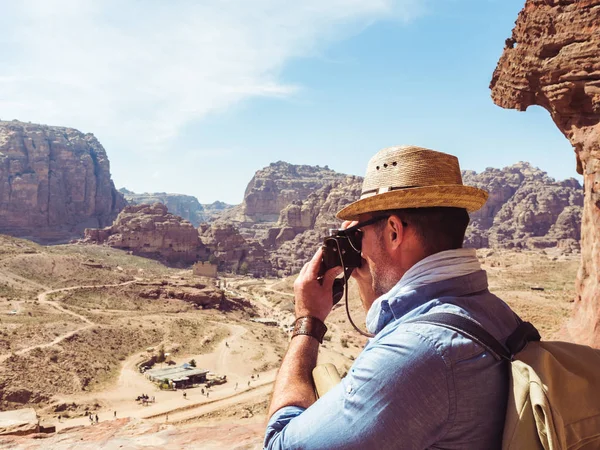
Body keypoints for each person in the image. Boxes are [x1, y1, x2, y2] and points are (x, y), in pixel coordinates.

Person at [264, 146, 520, 449]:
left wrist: (308, 322)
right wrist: (370, 278)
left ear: (394, 231)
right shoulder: (492, 311)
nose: (359, 248)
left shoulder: (419, 352)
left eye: (360, 232)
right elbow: (395, 329)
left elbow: (280, 444)